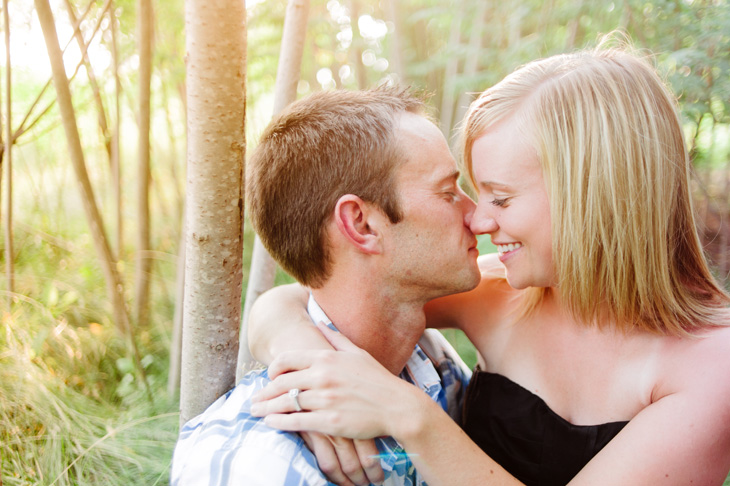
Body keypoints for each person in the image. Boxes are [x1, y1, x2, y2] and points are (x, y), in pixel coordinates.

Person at [247, 44, 730, 485]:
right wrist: (311, 359)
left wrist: (408, 415)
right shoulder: (501, 292)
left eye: (500, 198)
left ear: (594, 200)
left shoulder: (710, 366)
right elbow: (301, 297)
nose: (477, 219)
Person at [170, 86, 485, 485]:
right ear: (362, 224)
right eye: (447, 193)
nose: (477, 215)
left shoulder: (432, 363)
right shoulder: (259, 467)